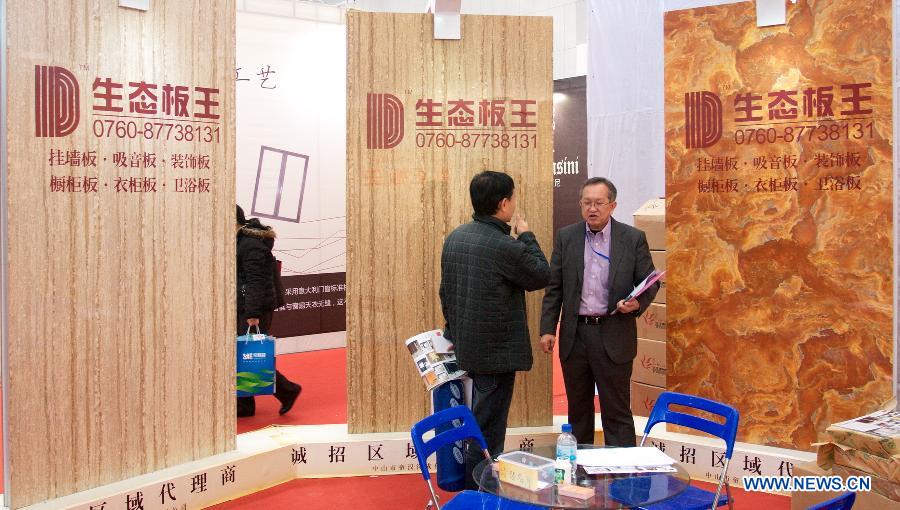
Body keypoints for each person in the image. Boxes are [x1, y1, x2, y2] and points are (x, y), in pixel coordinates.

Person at [439, 171, 551, 489]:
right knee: (488, 427)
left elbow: (444, 293)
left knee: (480, 420)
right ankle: (481, 490)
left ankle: (477, 482)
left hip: (467, 348)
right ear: (504, 203)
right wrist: (526, 236)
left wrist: (454, 331)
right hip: (496, 353)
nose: (514, 205)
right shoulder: (504, 245)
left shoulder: (456, 238)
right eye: (513, 199)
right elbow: (541, 274)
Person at [539, 177, 658, 447]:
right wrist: (547, 328)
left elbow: (650, 280)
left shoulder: (632, 238)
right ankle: (579, 472)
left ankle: (623, 478)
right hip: (575, 335)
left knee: (616, 411)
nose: (592, 209)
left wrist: (637, 303)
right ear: (581, 205)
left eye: (599, 203)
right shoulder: (567, 237)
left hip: (614, 333)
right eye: (587, 203)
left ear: (612, 205)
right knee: (578, 411)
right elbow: (554, 287)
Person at [236, 205, 302, 418]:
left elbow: (256, 282)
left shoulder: (251, 246)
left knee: (251, 355)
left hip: (254, 310)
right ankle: (245, 406)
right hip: (245, 306)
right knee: (241, 355)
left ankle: (287, 391)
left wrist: (252, 315)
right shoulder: (240, 242)